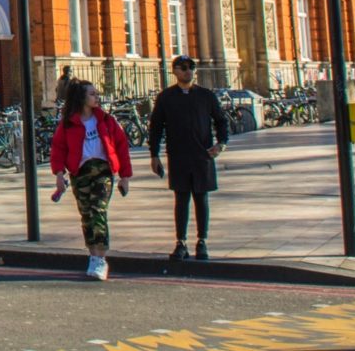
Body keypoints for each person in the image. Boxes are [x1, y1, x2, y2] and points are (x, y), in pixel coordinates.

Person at [147, 55, 230, 262]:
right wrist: (154, 154)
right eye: (183, 68)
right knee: (181, 199)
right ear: (174, 71)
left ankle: (202, 241)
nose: (188, 71)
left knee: (201, 199)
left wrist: (221, 144)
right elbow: (156, 127)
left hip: (202, 155)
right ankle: (181, 242)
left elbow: (221, 121)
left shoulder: (206, 96)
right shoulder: (166, 97)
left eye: (191, 67)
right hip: (178, 155)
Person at [50, 79, 132, 281]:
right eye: (92, 94)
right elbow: (58, 149)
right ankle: (93, 255)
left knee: (98, 210)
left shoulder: (106, 120)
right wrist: (59, 175)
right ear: (81, 98)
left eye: (96, 93)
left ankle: (101, 257)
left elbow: (121, 147)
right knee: (86, 214)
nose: (96, 97)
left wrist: (125, 177)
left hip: (103, 171)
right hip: (80, 173)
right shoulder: (69, 124)